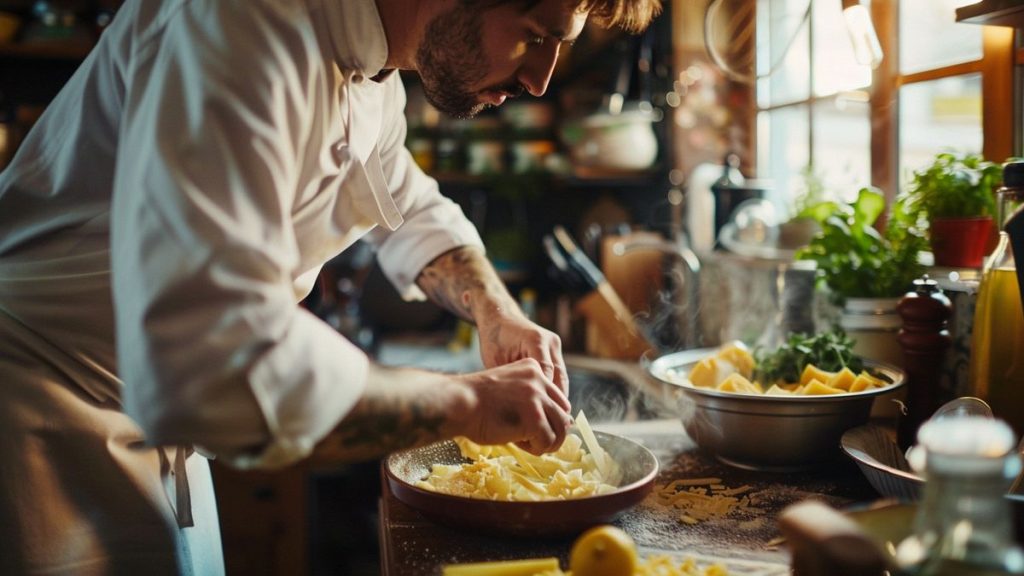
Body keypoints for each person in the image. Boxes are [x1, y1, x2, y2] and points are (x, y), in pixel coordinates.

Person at [0, 0, 661, 573]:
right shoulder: (241, 31)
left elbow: (404, 197)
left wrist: (492, 310)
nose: (540, 79)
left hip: (151, 425)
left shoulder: (372, 66)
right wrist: (469, 405)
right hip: (41, 419)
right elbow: (216, 355)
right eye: (538, 33)